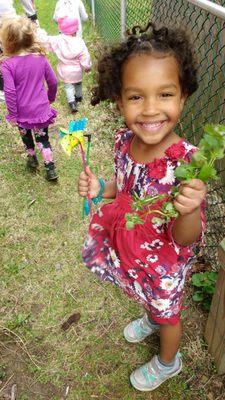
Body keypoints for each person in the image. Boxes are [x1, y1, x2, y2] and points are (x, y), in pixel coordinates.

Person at [78, 22, 206, 392]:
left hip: (165, 262)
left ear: (183, 96)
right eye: (136, 97)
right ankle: (151, 315)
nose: (150, 110)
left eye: (165, 94)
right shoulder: (123, 141)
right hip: (135, 252)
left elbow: (186, 238)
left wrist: (189, 208)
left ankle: (168, 361)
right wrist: (102, 186)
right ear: (119, 100)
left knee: (169, 314)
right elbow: (126, 185)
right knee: (148, 298)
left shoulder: (188, 163)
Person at [0, 16, 58, 181]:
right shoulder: (40, 58)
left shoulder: (7, 65)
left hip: (22, 112)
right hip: (40, 109)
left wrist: (12, 115)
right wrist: (50, 98)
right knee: (43, 139)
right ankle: (50, 168)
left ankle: (32, 159)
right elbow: (53, 82)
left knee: (26, 136)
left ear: (8, 41)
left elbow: (10, 92)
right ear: (30, 37)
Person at [38, 16, 91, 113]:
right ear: (76, 29)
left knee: (68, 86)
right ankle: (79, 96)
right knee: (78, 83)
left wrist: (39, 31)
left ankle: (72, 103)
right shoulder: (79, 41)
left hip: (65, 70)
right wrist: (87, 66)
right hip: (77, 71)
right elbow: (85, 55)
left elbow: (46, 40)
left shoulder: (58, 40)